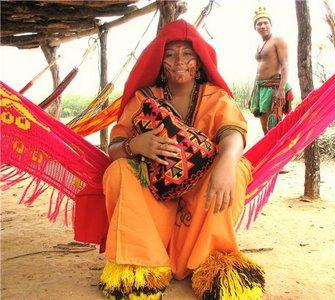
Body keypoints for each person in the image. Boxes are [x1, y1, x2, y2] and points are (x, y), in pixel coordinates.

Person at [99, 20, 265, 300]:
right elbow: (114, 148)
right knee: (118, 171)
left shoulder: (216, 96)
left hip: (203, 193)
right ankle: (141, 267)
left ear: (199, 61)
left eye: (187, 54)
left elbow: (233, 134)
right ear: (161, 62)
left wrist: (226, 163)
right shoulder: (143, 99)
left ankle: (213, 265)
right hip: (153, 195)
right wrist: (135, 145)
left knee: (236, 168)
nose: (179, 61)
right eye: (171, 54)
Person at [249, 6, 294, 135]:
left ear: (270, 25)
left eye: (265, 23)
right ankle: (270, 154)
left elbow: (285, 65)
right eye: (259, 24)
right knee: (265, 128)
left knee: (274, 127)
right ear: (255, 27)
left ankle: (281, 154)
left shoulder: (278, 40)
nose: (262, 26)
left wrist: (281, 89)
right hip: (261, 87)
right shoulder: (260, 45)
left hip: (274, 87)